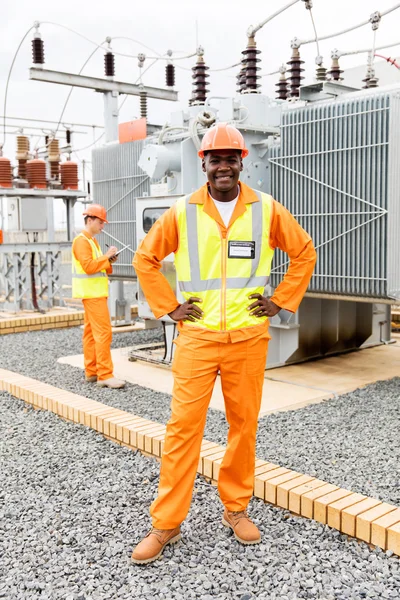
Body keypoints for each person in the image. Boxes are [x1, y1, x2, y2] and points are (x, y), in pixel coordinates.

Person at [131, 122, 316, 564]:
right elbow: (145, 258)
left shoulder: (267, 209)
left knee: (242, 429)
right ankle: (167, 524)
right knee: (182, 432)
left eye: (231, 159)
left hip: (248, 339)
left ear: (241, 162)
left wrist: (281, 301)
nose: (223, 167)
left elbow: (304, 251)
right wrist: (169, 307)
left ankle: (236, 509)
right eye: (215, 160)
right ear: (204, 164)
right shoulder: (182, 211)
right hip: (197, 338)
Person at [71, 204, 125, 389]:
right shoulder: (82, 241)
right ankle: (105, 375)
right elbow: (88, 267)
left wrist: (109, 260)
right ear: (90, 220)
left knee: (90, 334)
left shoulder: (91, 241)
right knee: (103, 333)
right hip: (93, 294)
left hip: (94, 293)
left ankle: (92, 371)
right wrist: (106, 256)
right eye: (101, 222)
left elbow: (98, 266)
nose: (103, 226)